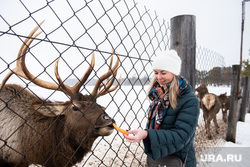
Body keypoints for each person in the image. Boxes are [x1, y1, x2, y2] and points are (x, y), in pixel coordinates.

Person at [124, 50, 200, 167]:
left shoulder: (190, 100)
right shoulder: (158, 96)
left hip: (179, 161)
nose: (158, 77)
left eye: (163, 73)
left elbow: (181, 136)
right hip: (159, 160)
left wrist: (147, 134)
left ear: (174, 73)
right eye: (155, 72)